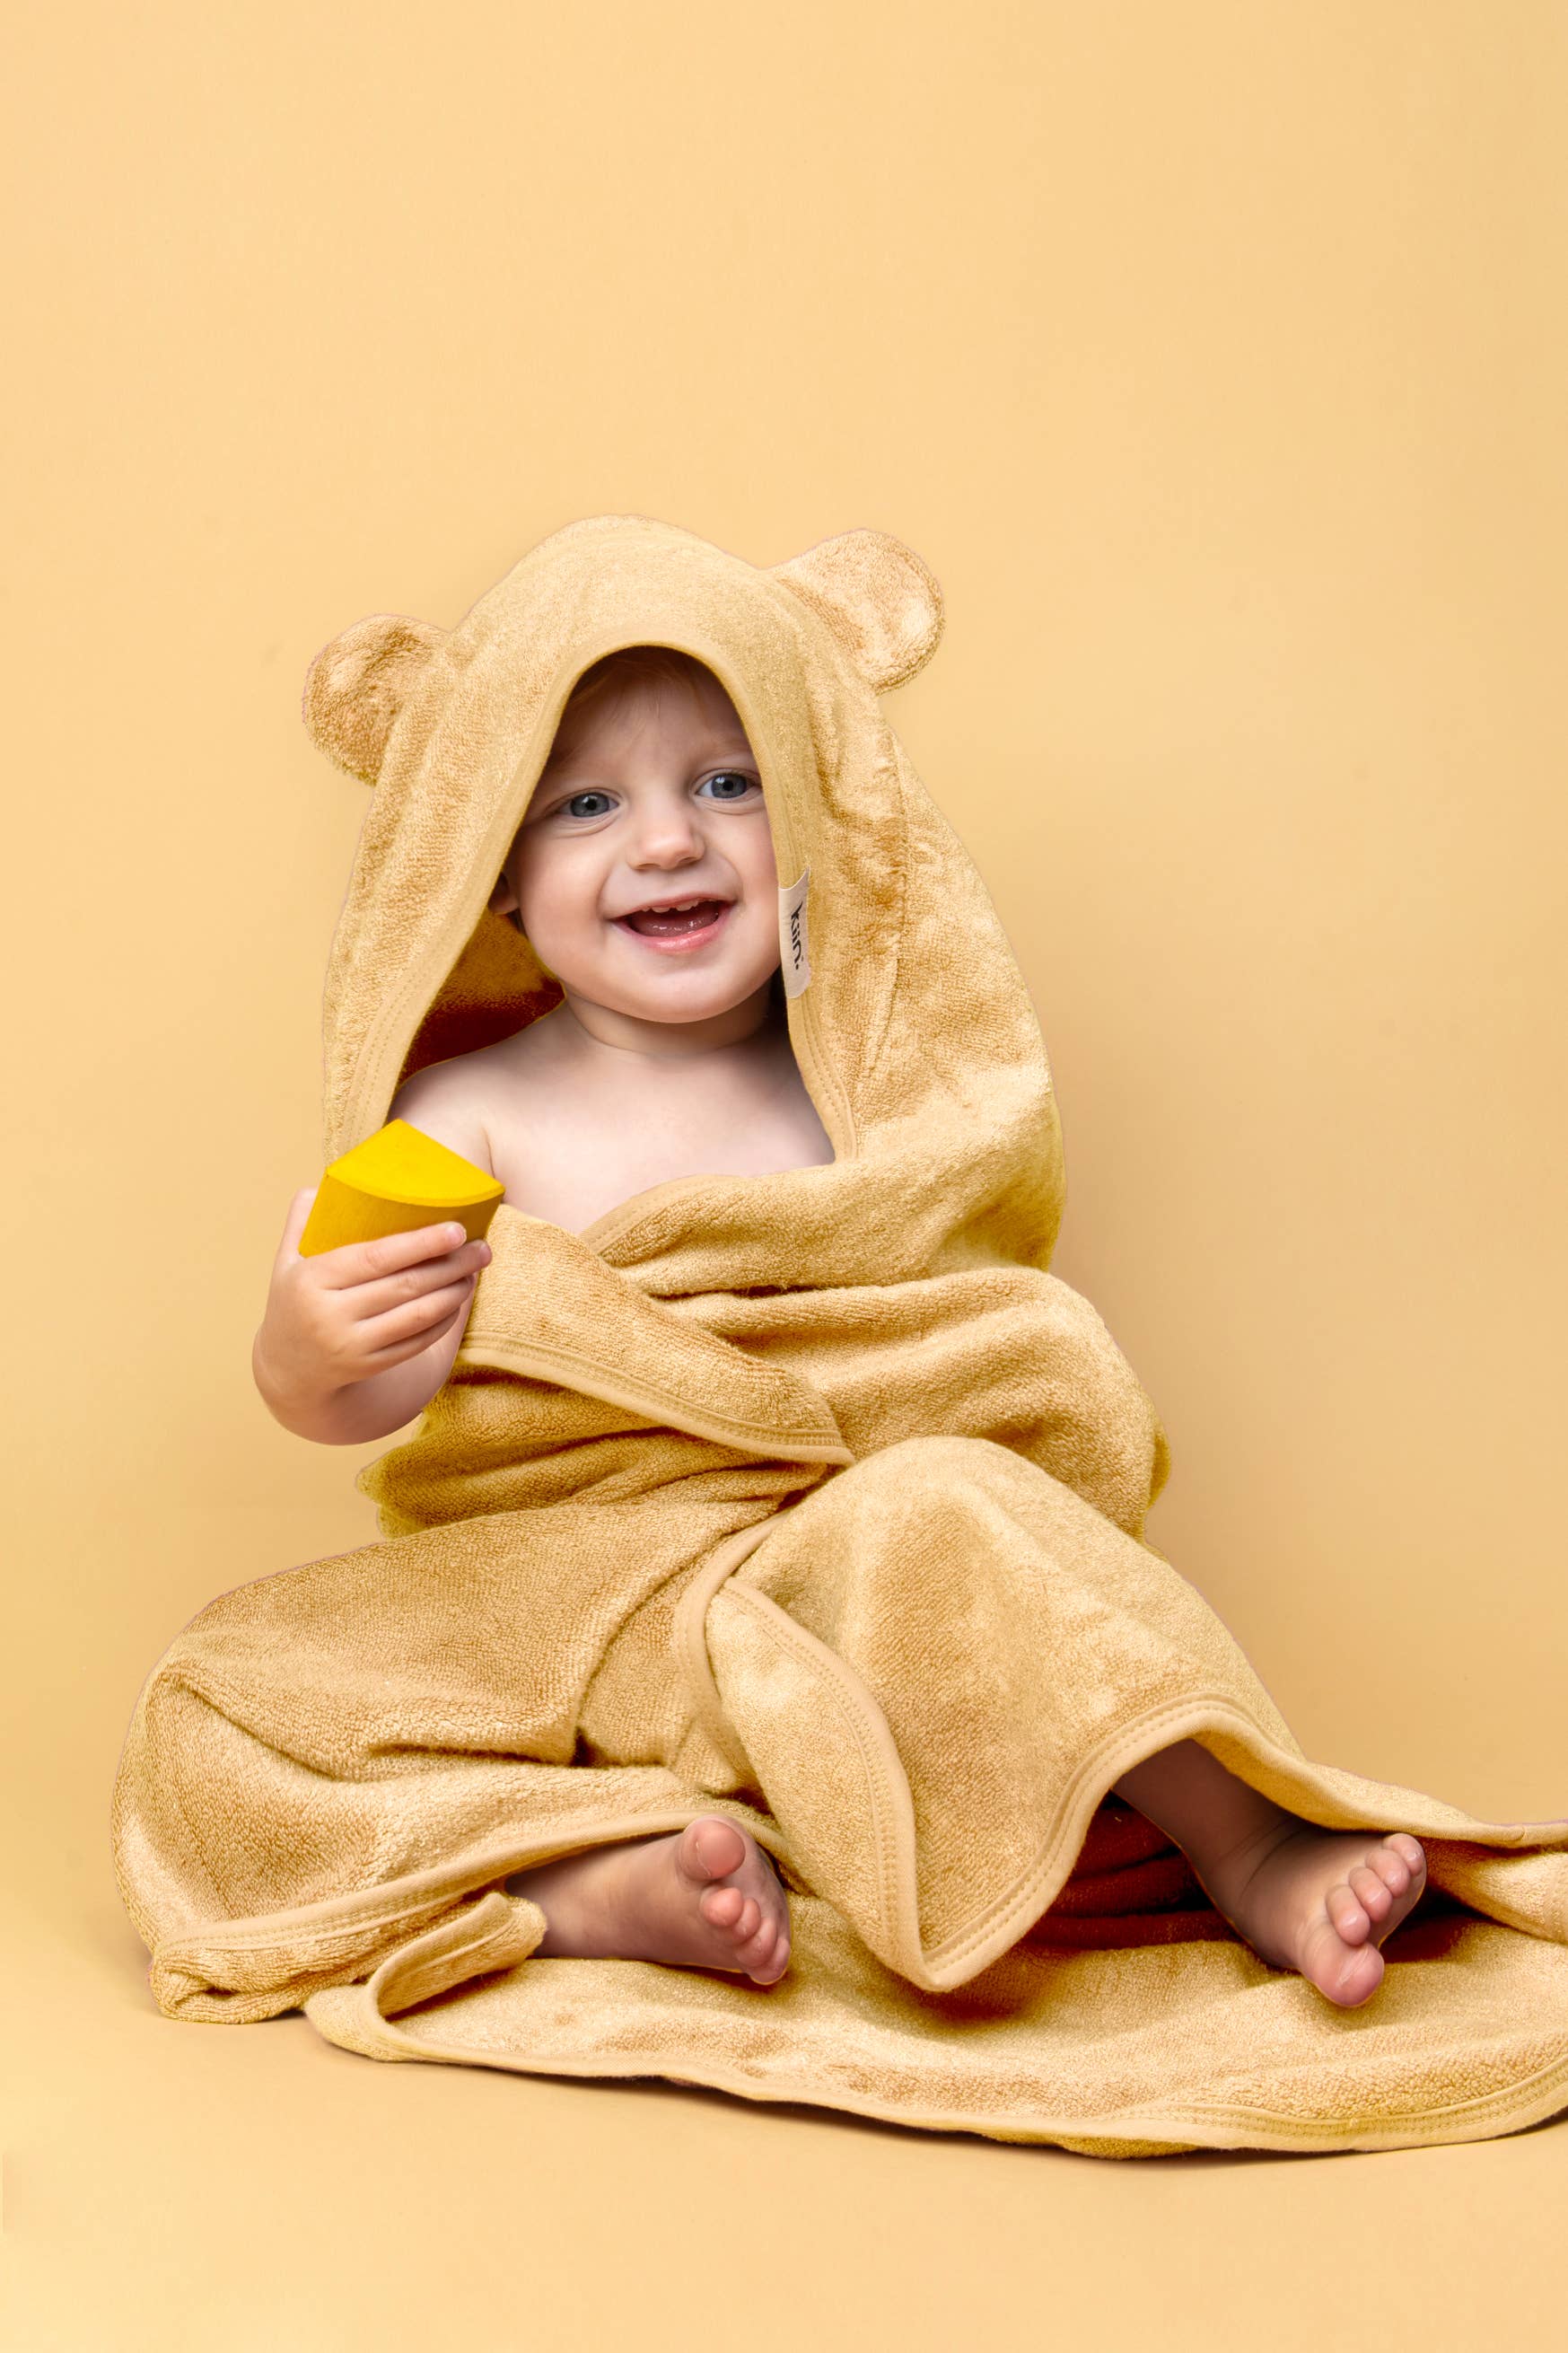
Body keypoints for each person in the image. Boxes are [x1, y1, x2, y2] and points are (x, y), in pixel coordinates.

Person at [251, 642, 1427, 2008]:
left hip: (843, 1607)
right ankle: (578, 1891)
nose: (668, 839)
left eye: (724, 781)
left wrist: (908, 1488)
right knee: (225, 1708)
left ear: (806, 812)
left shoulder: (867, 1098)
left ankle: (1252, 1839)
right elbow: (363, 1385)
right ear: (498, 872)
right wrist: (304, 1351)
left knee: (957, 1506)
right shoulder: (463, 1118)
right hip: (581, 1633)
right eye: (586, 806)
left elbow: (956, 1328)